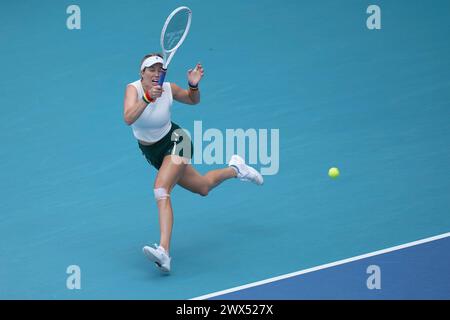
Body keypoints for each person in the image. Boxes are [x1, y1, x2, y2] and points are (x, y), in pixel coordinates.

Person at [123, 53, 263, 273]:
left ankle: (164, 252)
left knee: (161, 190)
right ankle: (237, 169)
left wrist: (193, 85)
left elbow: (191, 99)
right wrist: (148, 98)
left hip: (177, 141)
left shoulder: (168, 88)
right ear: (142, 73)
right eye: (151, 69)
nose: (156, 73)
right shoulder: (133, 89)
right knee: (203, 187)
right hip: (153, 152)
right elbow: (128, 117)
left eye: (160, 69)